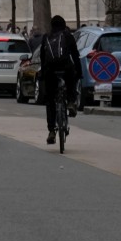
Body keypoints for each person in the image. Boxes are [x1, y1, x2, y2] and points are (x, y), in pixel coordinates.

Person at [36, 14, 80, 144]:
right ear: (64, 25)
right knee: (71, 78)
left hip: (50, 70)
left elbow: (43, 58)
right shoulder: (68, 36)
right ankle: (71, 102)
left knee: (50, 100)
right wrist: (79, 73)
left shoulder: (46, 37)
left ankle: (51, 131)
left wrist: (43, 74)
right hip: (65, 68)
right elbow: (75, 56)